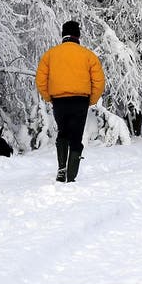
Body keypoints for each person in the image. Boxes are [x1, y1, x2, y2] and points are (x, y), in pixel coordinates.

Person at [35, 20, 105, 183]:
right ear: (78, 36)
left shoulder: (50, 55)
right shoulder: (88, 55)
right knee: (76, 137)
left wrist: (49, 97)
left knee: (63, 133)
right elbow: (99, 81)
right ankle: (71, 176)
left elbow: (40, 80)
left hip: (59, 100)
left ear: (63, 35)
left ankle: (61, 169)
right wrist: (91, 99)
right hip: (80, 100)